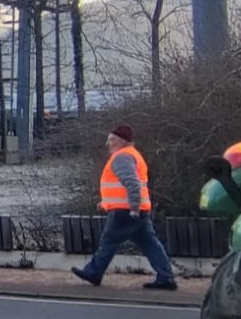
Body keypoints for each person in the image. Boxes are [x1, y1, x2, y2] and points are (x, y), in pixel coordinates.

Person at [70, 125, 177, 291]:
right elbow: (123, 186)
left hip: (126, 210)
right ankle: (166, 277)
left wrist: (132, 207)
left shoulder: (122, 157)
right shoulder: (132, 155)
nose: (108, 143)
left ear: (121, 141)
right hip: (137, 209)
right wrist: (106, 202)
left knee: (109, 241)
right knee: (150, 243)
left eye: (111, 139)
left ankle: (94, 272)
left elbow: (132, 183)